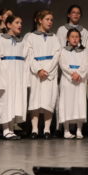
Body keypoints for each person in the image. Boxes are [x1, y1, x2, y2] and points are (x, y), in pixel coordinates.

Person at [0, 14, 28, 140]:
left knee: (15, 101)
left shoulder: (22, 41)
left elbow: (26, 59)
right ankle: (6, 129)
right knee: (6, 101)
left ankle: (11, 128)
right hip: (6, 75)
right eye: (17, 22)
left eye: (21, 23)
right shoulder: (1, 40)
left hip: (18, 75)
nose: (20, 25)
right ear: (8, 25)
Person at [26, 10, 61, 139]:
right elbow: (29, 55)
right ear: (40, 20)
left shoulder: (54, 37)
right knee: (35, 100)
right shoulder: (31, 37)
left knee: (48, 100)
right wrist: (38, 70)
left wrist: (47, 70)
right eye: (47, 19)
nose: (50, 22)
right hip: (36, 73)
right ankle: (35, 129)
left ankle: (47, 129)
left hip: (49, 73)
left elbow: (57, 54)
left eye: (51, 20)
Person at [58, 28, 88, 139]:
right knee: (67, 103)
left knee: (79, 103)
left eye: (77, 37)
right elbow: (63, 64)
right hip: (68, 80)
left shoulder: (84, 51)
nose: (75, 39)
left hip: (79, 80)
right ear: (68, 38)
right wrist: (72, 74)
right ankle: (66, 130)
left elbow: (86, 64)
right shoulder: (63, 51)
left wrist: (79, 74)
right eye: (72, 37)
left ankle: (79, 129)